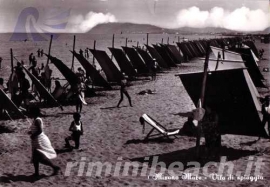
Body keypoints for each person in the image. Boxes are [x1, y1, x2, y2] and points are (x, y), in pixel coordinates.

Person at [28, 107, 60, 177]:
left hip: (40, 140)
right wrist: (31, 132)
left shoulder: (37, 120)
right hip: (36, 140)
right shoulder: (35, 119)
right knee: (35, 157)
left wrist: (33, 135)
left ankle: (54, 167)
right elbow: (37, 130)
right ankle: (37, 173)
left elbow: (40, 131)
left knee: (40, 157)